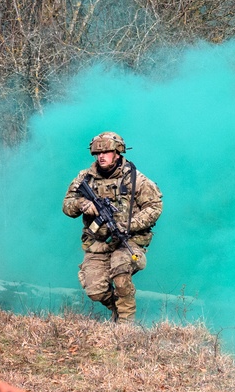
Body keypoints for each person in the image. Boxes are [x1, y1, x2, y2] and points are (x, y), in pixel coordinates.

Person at [63, 132, 163, 324]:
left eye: (107, 151)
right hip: (97, 243)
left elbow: (155, 207)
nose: (101, 156)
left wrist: (128, 225)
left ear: (117, 153)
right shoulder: (85, 178)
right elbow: (67, 205)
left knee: (120, 272)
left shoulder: (135, 179)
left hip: (128, 242)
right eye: (98, 153)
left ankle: (125, 327)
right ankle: (118, 309)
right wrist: (82, 204)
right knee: (95, 290)